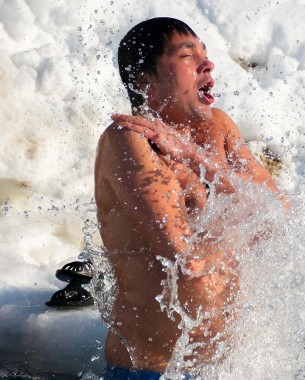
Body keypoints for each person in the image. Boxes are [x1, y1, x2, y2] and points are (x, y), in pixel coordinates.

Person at [94, 17, 284, 377]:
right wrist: (248, 227)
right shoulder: (130, 139)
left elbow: (280, 212)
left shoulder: (218, 128)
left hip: (229, 369)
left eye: (205, 53)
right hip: (153, 371)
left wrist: (192, 157)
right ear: (144, 80)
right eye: (186, 55)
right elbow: (187, 262)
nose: (207, 63)